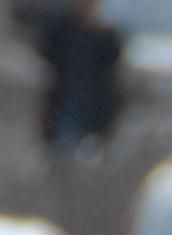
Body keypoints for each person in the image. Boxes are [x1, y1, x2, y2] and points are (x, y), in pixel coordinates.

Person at [34, 0, 125, 153]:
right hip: (65, 102)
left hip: (95, 106)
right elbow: (48, 51)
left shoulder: (104, 35)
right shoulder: (62, 29)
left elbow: (112, 63)